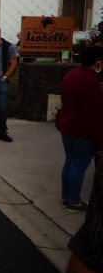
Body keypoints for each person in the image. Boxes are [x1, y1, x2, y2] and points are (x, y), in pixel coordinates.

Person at [55, 46, 103, 212]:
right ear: (98, 63)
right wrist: (100, 143)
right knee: (78, 165)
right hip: (82, 131)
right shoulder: (91, 82)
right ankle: (74, 201)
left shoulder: (72, 74)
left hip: (67, 126)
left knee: (70, 162)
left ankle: (67, 197)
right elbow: (92, 116)